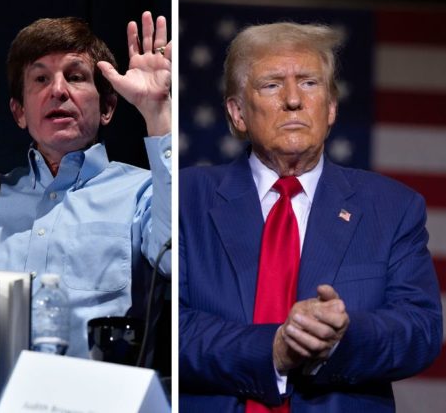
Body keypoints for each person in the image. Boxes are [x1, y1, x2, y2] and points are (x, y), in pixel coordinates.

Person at [179, 22, 443, 412]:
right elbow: (170, 327)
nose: (292, 100)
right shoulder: (186, 198)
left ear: (331, 107)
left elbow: (420, 331)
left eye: (309, 83)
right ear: (237, 113)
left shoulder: (392, 207)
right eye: (271, 84)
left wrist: (341, 339)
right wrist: (274, 350)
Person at [0, 12, 172, 359]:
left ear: (107, 106)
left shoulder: (144, 192)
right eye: (41, 79)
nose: (58, 90)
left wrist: (158, 114)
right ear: (19, 112)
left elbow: (174, 262)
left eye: (75, 77)